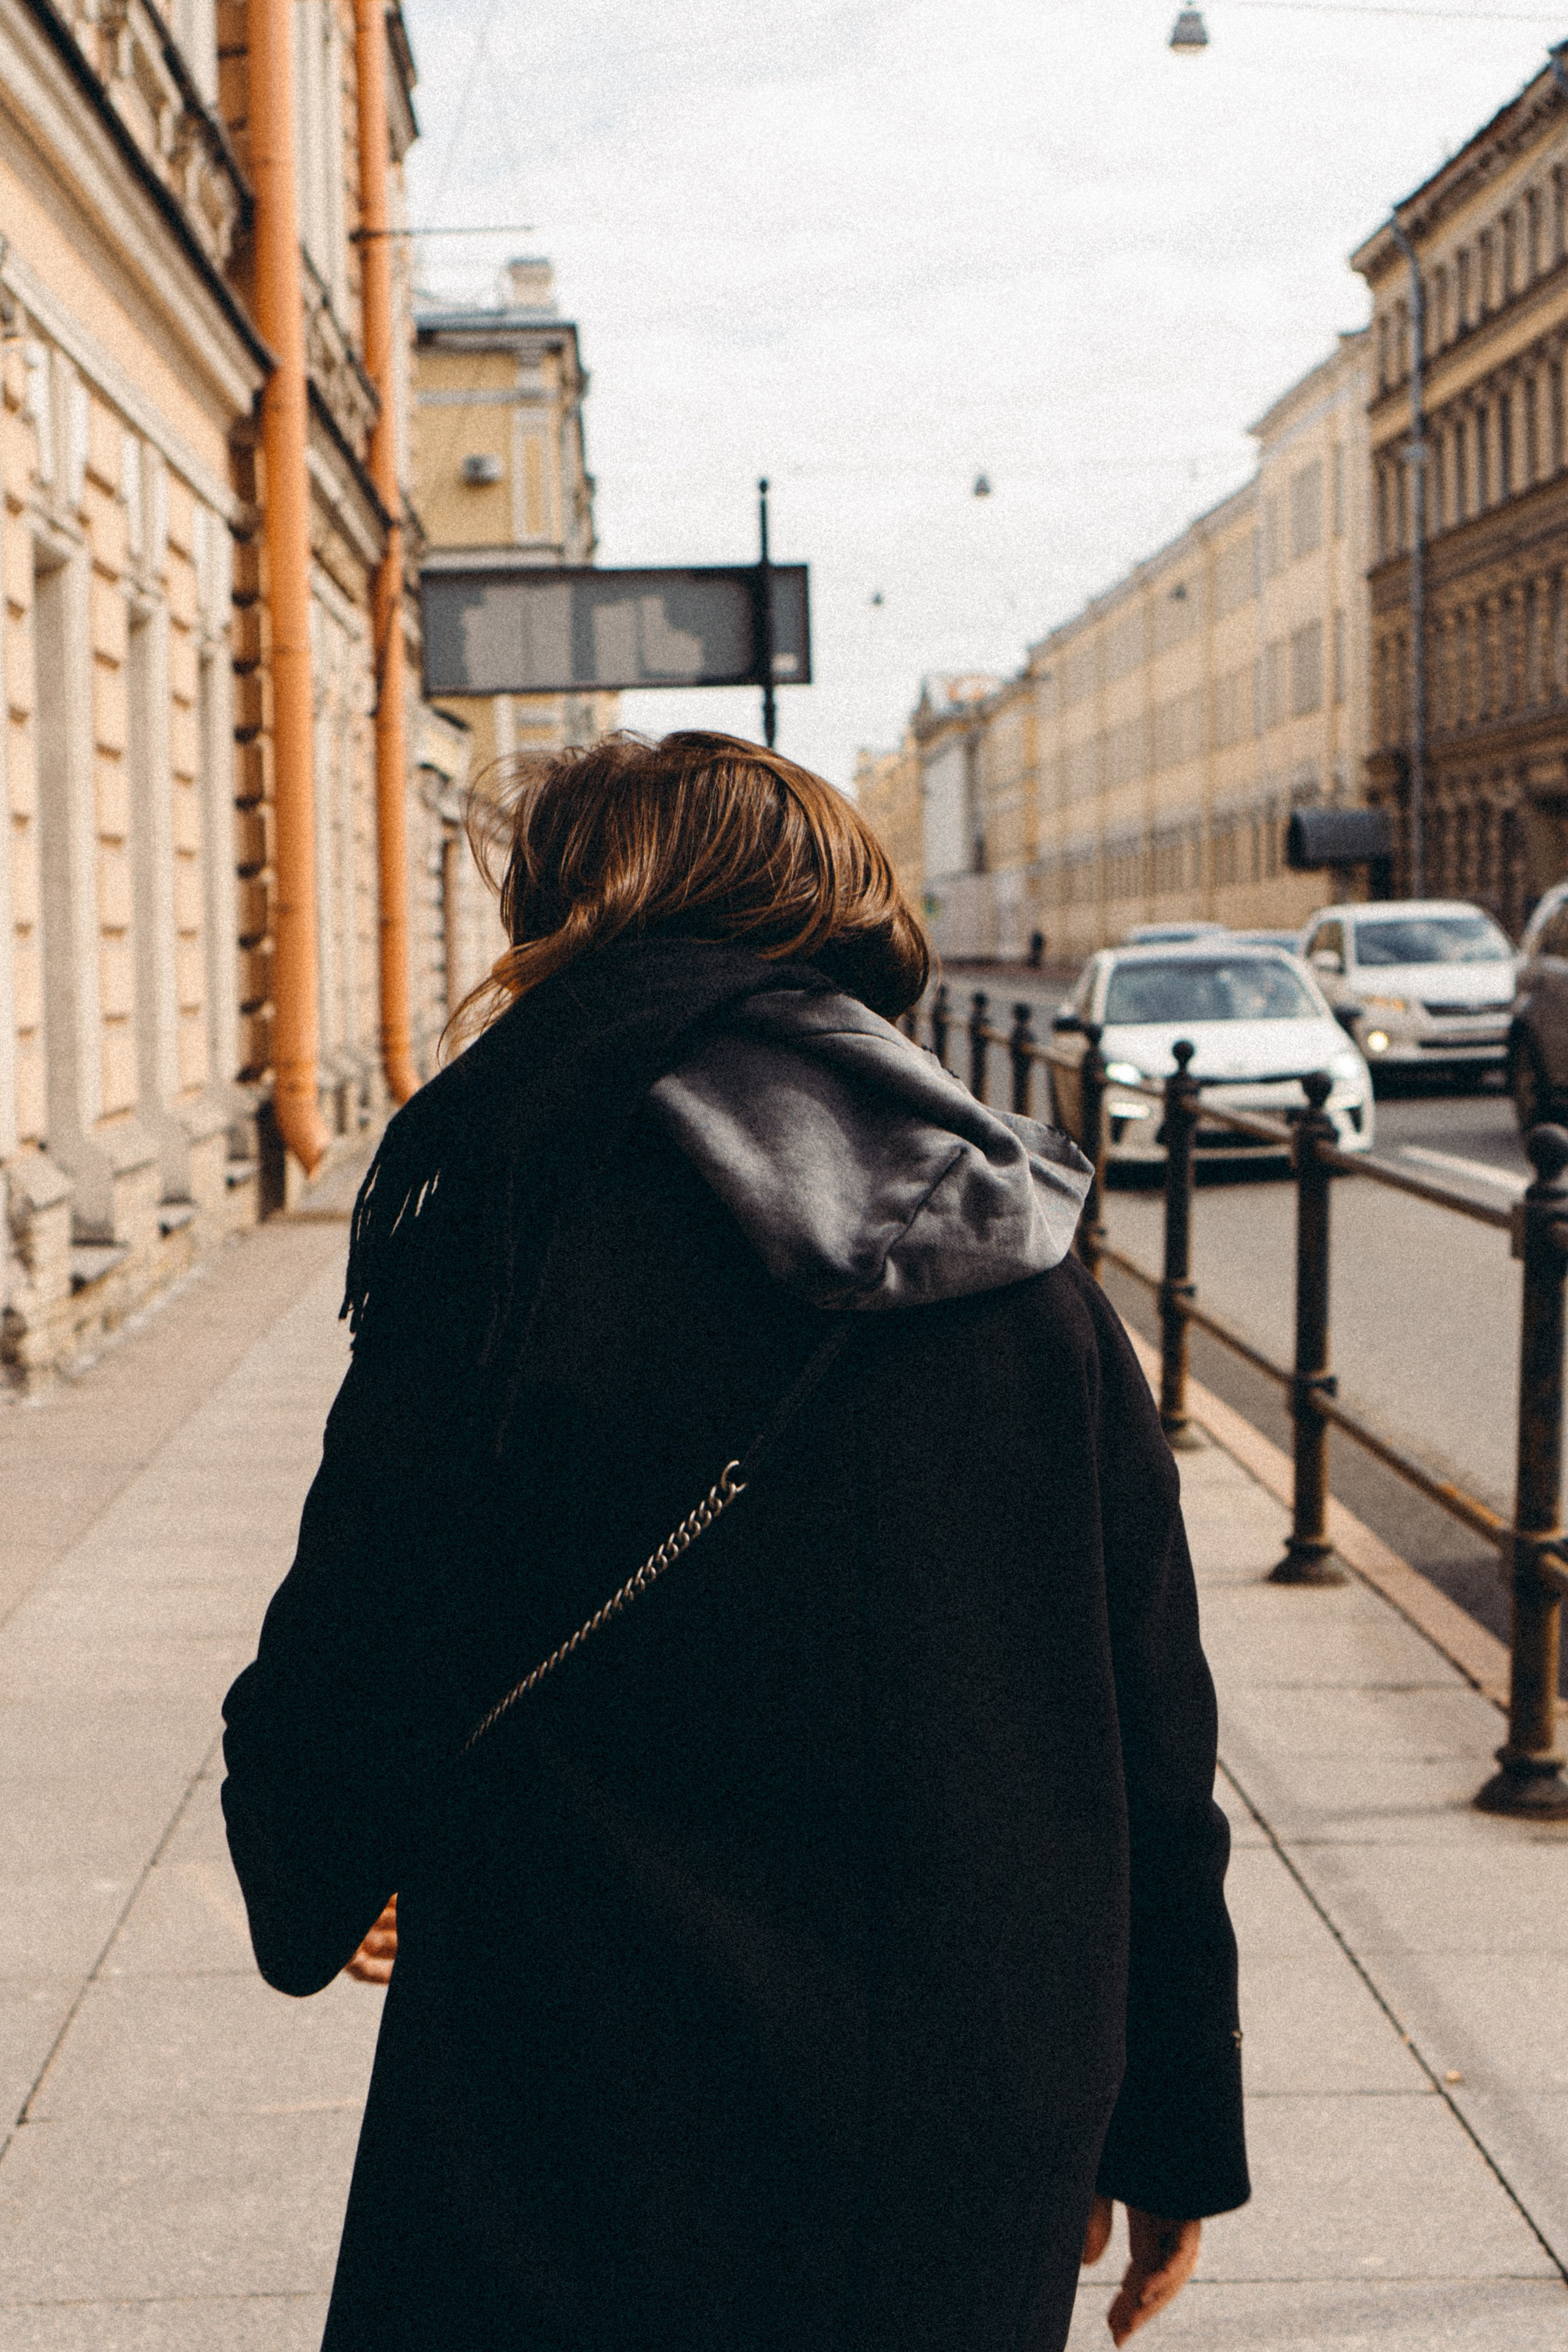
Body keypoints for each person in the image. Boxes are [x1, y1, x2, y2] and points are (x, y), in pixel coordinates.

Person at [222, 731, 1248, 2352]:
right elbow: (1150, 1733)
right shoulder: (1019, 1248)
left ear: (572, 912)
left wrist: (325, 1858)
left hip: (565, 2080)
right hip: (956, 2106)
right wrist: (1172, 2116)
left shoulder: (509, 1204)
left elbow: (357, 1633)